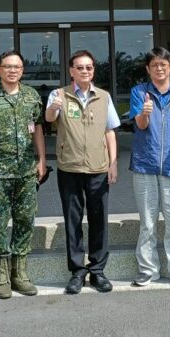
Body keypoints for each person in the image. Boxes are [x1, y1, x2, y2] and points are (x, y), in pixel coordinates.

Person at [0, 49, 47, 299]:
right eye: (8, 66)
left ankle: (20, 273)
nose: (12, 70)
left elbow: (37, 128)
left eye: (17, 67)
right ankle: (2, 274)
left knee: (26, 220)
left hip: (26, 170)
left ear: (22, 70)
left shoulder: (31, 96)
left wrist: (42, 159)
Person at [45, 49, 120, 294]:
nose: (85, 71)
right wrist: (54, 107)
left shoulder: (104, 97)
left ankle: (97, 271)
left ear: (93, 70)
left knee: (99, 220)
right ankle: (77, 271)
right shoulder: (59, 95)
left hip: (99, 167)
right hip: (69, 167)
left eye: (89, 67)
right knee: (73, 220)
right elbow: (49, 119)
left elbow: (110, 130)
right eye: (80, 67)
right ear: (71, 71)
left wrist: (113, 161)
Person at [128, 47, 170, 289]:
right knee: (147, 221)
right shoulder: (139, 92)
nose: (159, 68)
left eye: (163, 64)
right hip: (145, 166)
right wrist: (144, 113)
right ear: (148, 69)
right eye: (154, 65)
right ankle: (148, 270)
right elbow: (140, 124)